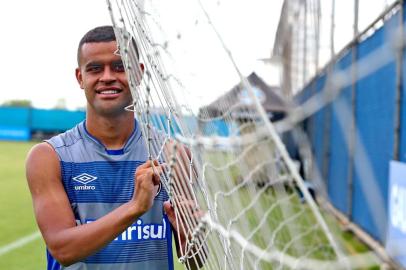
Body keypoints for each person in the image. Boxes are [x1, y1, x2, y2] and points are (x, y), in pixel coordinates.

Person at [26, 25, 202, 270]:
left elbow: (196, 261)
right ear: (80, 77)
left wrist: (190, 235)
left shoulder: (174, 155)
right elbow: (63, 249)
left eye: (119, 67)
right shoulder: (49, 156)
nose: (107, 76)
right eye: (95, 68)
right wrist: (135, 207)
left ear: (139, 73)